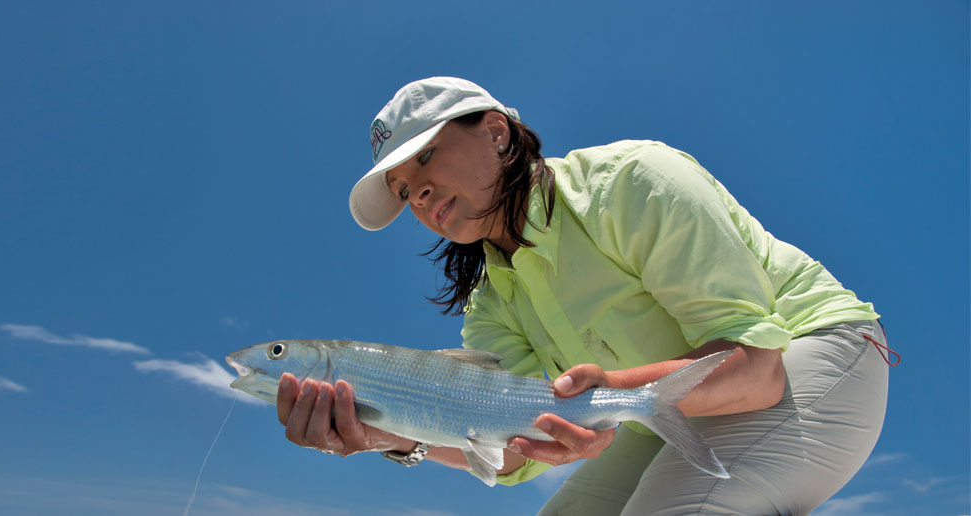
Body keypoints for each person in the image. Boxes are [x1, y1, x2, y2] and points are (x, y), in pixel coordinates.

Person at [276, 76, 894, 515]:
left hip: (809, 352)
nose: (420, 196)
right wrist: (388, 435)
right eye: (404, 190)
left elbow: (758, 372)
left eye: (427, 157)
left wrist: (611, 396)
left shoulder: (633, 181)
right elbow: (512, 452)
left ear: (496, 132)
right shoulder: (490, 302)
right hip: (659, 413)